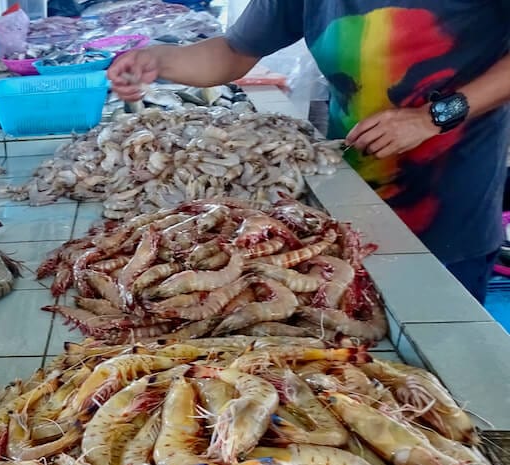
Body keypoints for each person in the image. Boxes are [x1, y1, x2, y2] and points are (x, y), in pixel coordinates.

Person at [109, 1, 510, 303]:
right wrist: (155, 59)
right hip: (348, 203)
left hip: (449, 209)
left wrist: (431, 117)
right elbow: (232, 53)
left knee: (446, 364)